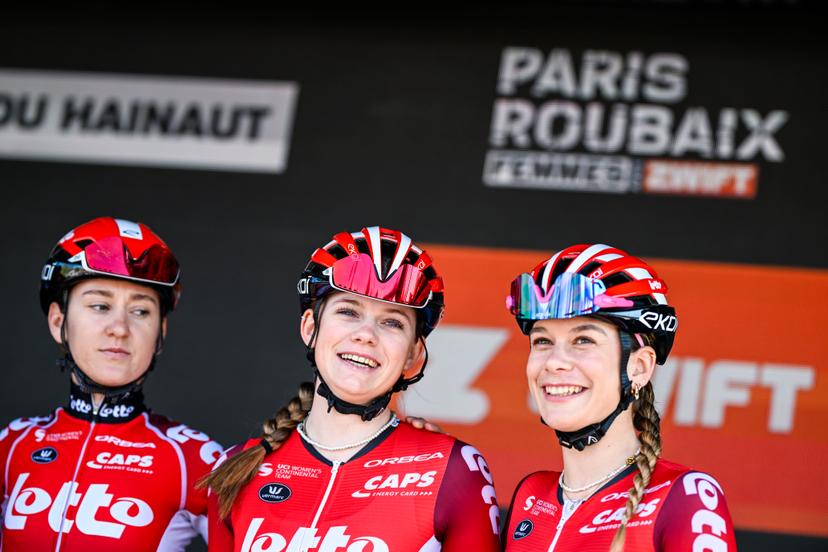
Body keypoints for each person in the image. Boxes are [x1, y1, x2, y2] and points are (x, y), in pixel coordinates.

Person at [202, 226, 501, 551]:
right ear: (310, 328)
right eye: (348, 311)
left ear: (413, 353)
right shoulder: (239, 467)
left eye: (392, 322)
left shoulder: (453, 470)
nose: (366, 334)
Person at [0, 217, 222, 550]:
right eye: (100, 306)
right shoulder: (11, 445)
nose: (119, 328)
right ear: (58, 321)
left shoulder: (195, 458)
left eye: (141, 311)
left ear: (160, 334)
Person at [502, 244, 736, 551]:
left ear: (639, 367)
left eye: (583, 340)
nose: (554, 361)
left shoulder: (685, 496)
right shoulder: (530, 496)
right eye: (543, 340)